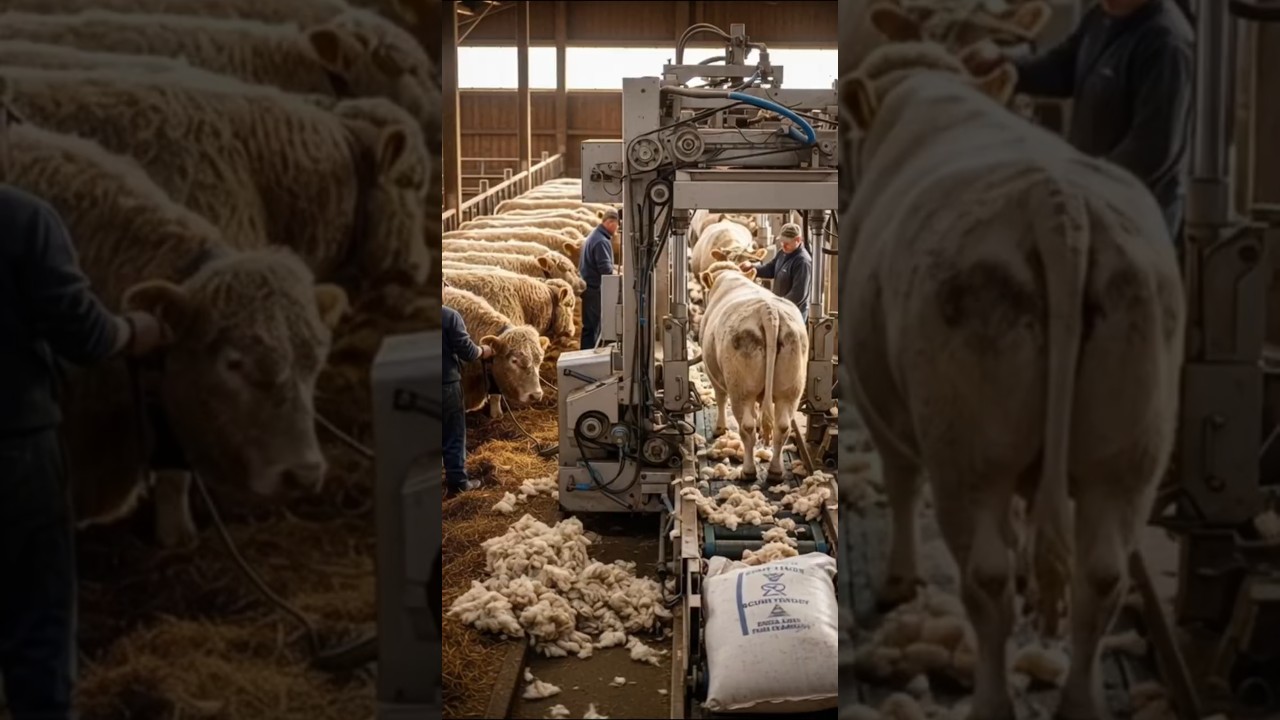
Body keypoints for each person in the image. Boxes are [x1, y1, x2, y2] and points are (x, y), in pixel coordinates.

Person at [1, 185, 170, 719]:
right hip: (15, 445)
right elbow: (81, 330)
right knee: (36, 618)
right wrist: (131, 331)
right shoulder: (23, 218)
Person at [965, 0, 1193, 239]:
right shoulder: (1102, 16)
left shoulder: (1167, 44)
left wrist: (1081, 180)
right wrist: (1006, 65)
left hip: (1135, 221)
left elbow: (1151, 151)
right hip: (1092, 203)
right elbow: (1063, 67)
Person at [442, 304, 493, 495]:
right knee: (453, 434)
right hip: (445, 384)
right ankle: (458, 483)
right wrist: (484, 350)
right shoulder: (448, 316)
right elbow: (468, 352)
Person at [739, 222, 813, 322]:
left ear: (798, 240)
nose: (783, 245)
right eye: (782, 241)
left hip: (793, 316)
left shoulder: (802, 262)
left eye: (787, 242)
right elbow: (771, 269)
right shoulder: (782, 252)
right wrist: (753, 268)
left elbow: (798, 294)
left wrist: (776, 305)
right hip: (779, 310)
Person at [578, 209, 619, 350]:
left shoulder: (595, 236)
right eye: (617, 225)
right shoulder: (601, 241)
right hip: (594, 289)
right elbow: (605, 269)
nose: (618, 229)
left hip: (588, 286)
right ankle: (587, 355)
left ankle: (585, 354)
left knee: (589, 325)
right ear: (610, 223)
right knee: (593, 326)